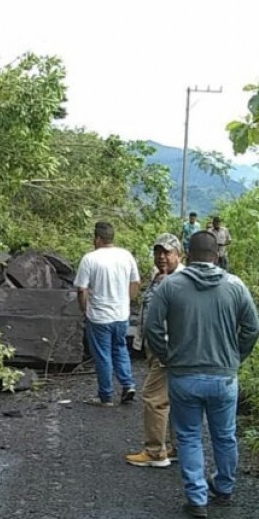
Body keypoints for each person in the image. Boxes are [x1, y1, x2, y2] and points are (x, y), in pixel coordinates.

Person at [145, 231, 259, 518]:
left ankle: (197, 497)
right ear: (217, 254)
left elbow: (151, 328)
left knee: (190, 437)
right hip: (223, 376)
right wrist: (236, 358)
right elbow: (252, 328)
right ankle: (224, 487)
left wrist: (167, 356)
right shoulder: (235, 285)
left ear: (187, 253)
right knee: (225, 436)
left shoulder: (169, 286)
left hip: (184, 376)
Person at [126, 233, 184, 468]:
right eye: (158, 252)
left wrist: (165, 349)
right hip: (157, 347)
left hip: (167, 350)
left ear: (178, 255)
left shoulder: (180, 280)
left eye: (167, 252)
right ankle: (175, 447)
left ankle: (154, 452)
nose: (161, 257)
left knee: (153, 398)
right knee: (173, 398)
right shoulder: (159, 275)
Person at [74, 221, 140, 407]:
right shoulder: (126, 256)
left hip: (99, 316)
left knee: (103, 355)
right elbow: (135, 282)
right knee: (119, 349)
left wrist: (84, 308)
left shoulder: (90, 259)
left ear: (97, 238)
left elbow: (82, 289)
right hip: (121, 315)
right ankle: (128, 384)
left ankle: (106, 396)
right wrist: (126, 301)